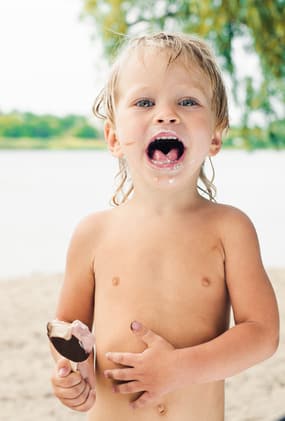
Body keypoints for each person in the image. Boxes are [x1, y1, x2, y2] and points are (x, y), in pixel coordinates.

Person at [49, 32, 279, 420]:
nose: (166, 113)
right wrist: (71, 376)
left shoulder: (229, 229)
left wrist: (181, 368)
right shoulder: (93, 234)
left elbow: (262, 334)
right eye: (144, 102)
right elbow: (68, 332)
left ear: (216, 136)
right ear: (114, 137)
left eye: (187, 101)